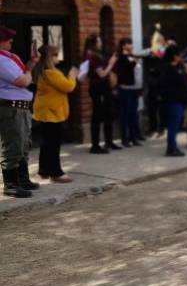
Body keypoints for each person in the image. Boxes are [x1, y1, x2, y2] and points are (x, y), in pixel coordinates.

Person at [0, 26, 39, 197]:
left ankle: (22, 180)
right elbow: (22, 80)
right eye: (7, 38)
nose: (11, 40)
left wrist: (32, 63)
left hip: (21, 106)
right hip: (10, 107)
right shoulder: (1, 60)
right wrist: (29, 72)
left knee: (23, 144)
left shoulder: (10, 57)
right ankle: (11, 184)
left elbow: (24, 73)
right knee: (13, 145)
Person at [31, 45, 77, 183]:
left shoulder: (42, 71)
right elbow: (68, 86)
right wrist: (72, 76)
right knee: (53, 143)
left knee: (47, 143)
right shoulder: (51, 73)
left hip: (46, 111)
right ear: (50, 57)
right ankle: (56, 173)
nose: (58, 57)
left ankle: (44, 171)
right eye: (56, 55)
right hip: (52, 112)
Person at [83, 34, 120, 154]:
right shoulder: (91, 57)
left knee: (108, 113)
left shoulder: (98, 56)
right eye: (99, 41)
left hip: (105, 88)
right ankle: (95, 145)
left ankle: (109, 141)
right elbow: (102, 74)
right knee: (97, 116)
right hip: (97, 88)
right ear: (93, 44)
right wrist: (111, 63)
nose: (101, 43)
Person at [159, 44, 187, 157]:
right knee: (173, 125)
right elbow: (164, 84)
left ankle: (174, 146)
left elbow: (185, 78)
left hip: (181, 99)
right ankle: (171, 148)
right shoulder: (167, 68)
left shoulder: (179, 66)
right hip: (173, 100)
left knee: (177, 125)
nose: (181, 57)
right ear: (174, 56)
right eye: (178, 55)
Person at [114, 38, 142, 147]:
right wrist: (134, 62)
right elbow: (124, 70)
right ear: (124, 46)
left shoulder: (131, 56)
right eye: (129, 44)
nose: (131, 46)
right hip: (125, 88)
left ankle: (133, 137)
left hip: (134, 88)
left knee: (133, 114)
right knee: (125, 114)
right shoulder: (121, 57)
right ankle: (125, 139)